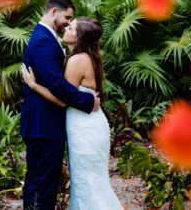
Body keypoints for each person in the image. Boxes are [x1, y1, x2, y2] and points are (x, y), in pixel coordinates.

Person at [22, 16, 122, 210]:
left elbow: (62, 99)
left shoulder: (77, 60)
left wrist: (33, 85)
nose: (67, 27)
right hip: (87, 126)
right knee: (89, 183)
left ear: (80, 37)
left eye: (72, 27)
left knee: (88, 184)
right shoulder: (86, 57)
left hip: (85, 131)